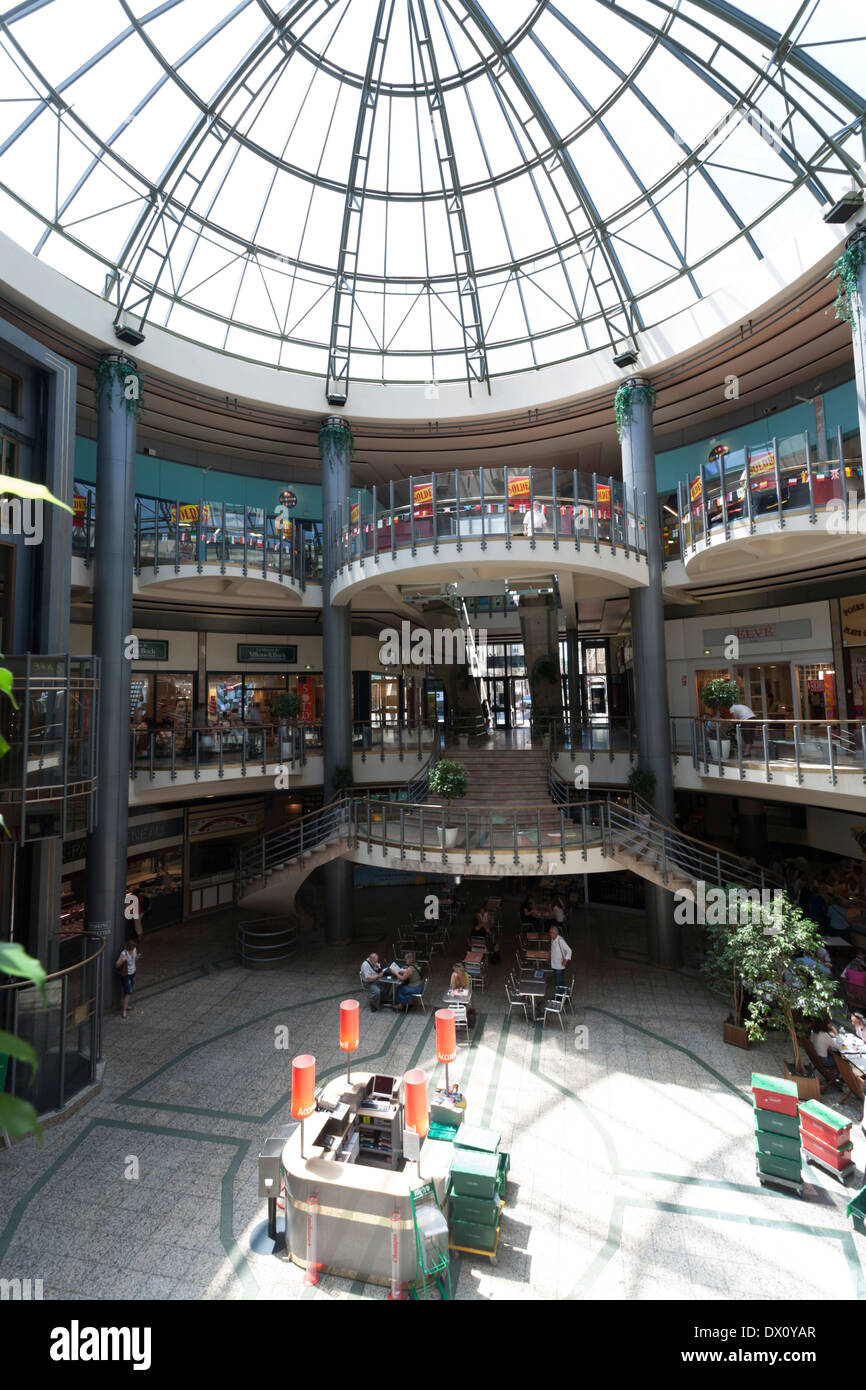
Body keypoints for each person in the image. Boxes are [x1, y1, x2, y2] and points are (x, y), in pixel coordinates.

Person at [115, 937, 140, 1020]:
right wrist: (122, 960)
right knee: (129, 992)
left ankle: (126, 1006)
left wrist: (136, 957)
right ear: (128, 948)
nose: (132, 951)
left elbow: (134, 960)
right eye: (131, 950)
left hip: (133, 972)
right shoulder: (124, 953)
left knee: (129, 991)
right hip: (126, 975)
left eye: (133, 949)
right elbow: (117, 965)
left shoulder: (134, 949)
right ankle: (124, 1011)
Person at [549, 924, 573, 992]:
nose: (550, 934)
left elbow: (569, 950)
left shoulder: (560, 940)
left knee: (559, 983)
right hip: (554, 964)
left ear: (555, 933)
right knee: (558, 982)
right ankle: (564, 996)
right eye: (550, 932)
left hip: (559, 966)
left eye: (551, 932)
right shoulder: (553, 939)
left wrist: (565, 960)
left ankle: (560, 998)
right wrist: (549, 957)